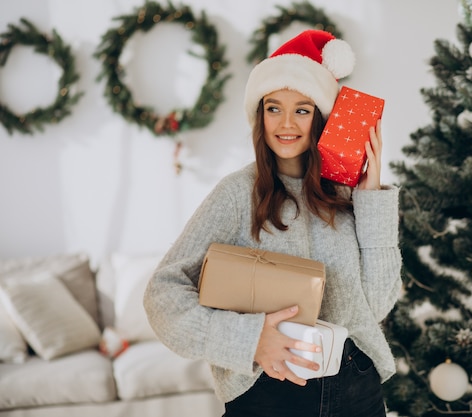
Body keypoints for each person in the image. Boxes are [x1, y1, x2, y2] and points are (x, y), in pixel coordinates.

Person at [144, 29, 402, 417]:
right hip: (267, 391)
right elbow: (161, 295)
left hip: (355, 387)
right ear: (259, 115)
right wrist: (247, 339)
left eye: (302, 108)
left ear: (319, 116)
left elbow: (380, 303)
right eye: (273, 107)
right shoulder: (236, 194)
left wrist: (371, 197)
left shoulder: (348, 197)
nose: (287, 123)